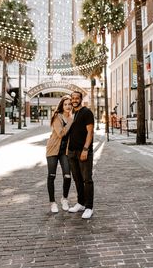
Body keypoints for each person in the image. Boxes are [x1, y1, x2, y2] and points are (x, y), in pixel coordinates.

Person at [68, 91, 94, 219]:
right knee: (77, 179)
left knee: (87, 180)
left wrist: (85, 149)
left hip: (83, 151)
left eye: (77, 98)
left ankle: (89, 207)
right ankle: (81, 203)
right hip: (72, 152)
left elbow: (90, 132)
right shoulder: (72, 114)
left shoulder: (86, 112)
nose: (74, 100)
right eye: (72, 98)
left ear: (81, 99)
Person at [46, 95, 73, 213]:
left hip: (65, 151)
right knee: (52, 175)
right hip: (53, 149)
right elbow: (61, 133)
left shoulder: (73, 117)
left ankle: (64, 199)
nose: (68, 106)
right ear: (62, 105)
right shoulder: (57, 117)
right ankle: (52, 202)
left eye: (70, 104)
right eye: (65, 104)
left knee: (67, 176)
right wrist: (70, 122)